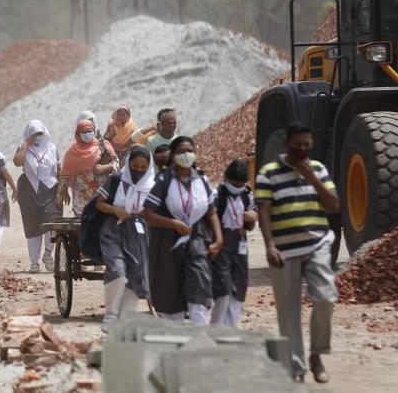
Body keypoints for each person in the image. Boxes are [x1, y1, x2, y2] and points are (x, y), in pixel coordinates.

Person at [255, 123, 339, 384]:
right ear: (287, 144)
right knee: (288, 310)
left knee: (325, 297)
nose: (303, 150)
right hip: (284, 249)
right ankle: (296, 366)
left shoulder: (319, 170)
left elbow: (334, 205)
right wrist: (269, 245)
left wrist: (313, 179)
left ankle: (317, 355)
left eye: (307, 146)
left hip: (317, 244)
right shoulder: (268, 173)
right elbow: (264, 212)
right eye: (298, 145)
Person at [143, 136, 223, 325]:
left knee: (199, 289)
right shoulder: (163, 181)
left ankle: (198, 338)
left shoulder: (201, 180)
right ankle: (174, 337)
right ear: (173, 155)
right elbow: (148, 214)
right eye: (181, 152)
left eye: (189, 151)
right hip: (168, 244)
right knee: (171, 291)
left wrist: (218, 240)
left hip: (197, 242)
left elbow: (211, 213)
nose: (186, 155)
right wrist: (174, 223)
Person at [95, 146, 155, 332]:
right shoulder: (116, 180)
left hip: (138, 233)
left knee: (135, 274)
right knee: (117, 269)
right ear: (128, 164)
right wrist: (115, 210)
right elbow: (99, 203)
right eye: (134, 166)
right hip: (114, 228)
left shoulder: (152, 186)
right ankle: (111, 313)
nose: (138, 170)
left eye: (142, 167)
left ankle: (125, 317)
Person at [210, 160, 257, 328]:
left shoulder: (248, 196)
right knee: (223, 288)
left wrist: (252, 217)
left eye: (240, 185)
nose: (237, 187)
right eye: (234, 184)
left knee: (239, 288)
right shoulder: (217, 195)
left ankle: (231, 327)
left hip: (240, 246)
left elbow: (251, 224)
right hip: (222, 245)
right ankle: (216, 327)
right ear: (226, 179)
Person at [14, 120, 62, 273]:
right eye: (34, 134)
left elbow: (58, 170)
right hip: (29, 192)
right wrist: (26, 144)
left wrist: (61, 192)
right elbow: (17, 162)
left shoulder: (52, 148)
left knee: (52, 222)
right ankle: (34, 262)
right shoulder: (24, 148)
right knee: (32, 226)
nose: (38, 137)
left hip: (50, 191)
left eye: (40, 133)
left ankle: (48, 254)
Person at [57, 119, 117, 216]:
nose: (87, 134)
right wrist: (63, 192)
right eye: (84, 132)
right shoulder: (72, 151)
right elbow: (64, 175)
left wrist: (105, 167)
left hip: (101, 194)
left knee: (101, 221)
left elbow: (116, 162)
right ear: (78, 134)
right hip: (81, 199)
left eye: (90, 131)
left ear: (94, 131)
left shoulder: (103, 145)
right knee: (83, 224)